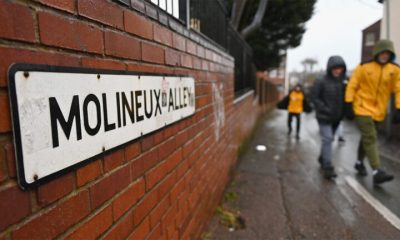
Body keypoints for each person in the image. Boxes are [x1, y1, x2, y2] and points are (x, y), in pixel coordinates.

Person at [345, 39, 400, 185]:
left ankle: (358, 162)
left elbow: (398, 89)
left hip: (379, 111)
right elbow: (352, 85)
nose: (385, 55)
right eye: (382, 52)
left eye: (388, 53)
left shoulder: (394, 70)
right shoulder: (364, 67)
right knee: (371, 137)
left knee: (366, 139)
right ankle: (377, 171)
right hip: (362, 108)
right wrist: (348, 103)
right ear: (377, 52)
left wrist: (399, 108)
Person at [311, 56, 347, 179]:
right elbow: (315, 97)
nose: (338, 71)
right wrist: (324, 109)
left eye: (340, 68)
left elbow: (345, 99)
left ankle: (322, 158)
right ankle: (327, 166)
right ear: (330, 68)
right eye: (336, 68)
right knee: (327, 138)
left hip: (337, 118)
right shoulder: (320, 80)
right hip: (324, 116)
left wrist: (345, 112)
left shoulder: (343, 82)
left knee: (329, 139)